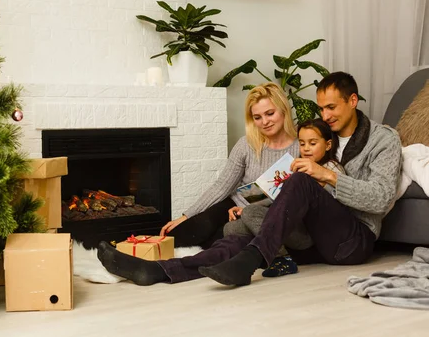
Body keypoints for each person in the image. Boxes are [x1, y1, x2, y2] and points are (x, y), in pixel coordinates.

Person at [97, 71, 402, 287]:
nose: (325, 114)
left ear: (353, 101)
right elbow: (253, 189)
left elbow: (381, 199)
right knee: (237, 240)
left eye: (331, 107)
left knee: (299, 180)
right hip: (313, 239)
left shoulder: (382, 140)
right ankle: (160, 270)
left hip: (353, 240)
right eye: (321, 107)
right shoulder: (318, 137)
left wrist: (325, 176)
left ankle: (252, 258)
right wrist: (243, 207)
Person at [161, 82, 299, 249]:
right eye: (257, 117)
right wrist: (185, 216)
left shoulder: (302, 147)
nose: (265, 122)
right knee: (195, 228)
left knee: (223, 239)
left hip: (260, 214)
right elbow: (221, 186)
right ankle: (143, 249)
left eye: (270, 113)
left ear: (283, 109)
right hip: (234, 204)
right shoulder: (246, 144)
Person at [224, 118, 345, 278]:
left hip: (309, 233)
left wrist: (319, 181)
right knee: (231, 228)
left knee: (251, 213)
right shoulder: (300, 166)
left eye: (313, 143)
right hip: (289, 223)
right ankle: (258, 253)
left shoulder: (331, 169)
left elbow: (335, 204)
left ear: (328, 145)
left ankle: (281, 258)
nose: (306, 149)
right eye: (302, 144)